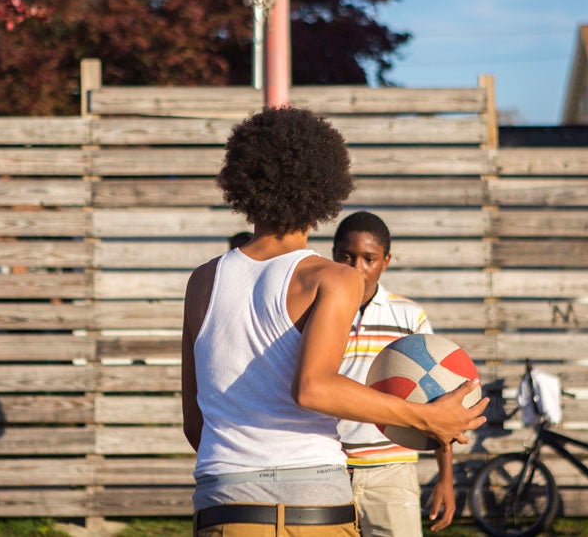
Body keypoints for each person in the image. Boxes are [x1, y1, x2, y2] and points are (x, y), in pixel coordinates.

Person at [182, 107, 487, 536]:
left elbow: (195, 424)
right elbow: (314, 387)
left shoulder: (202, 281)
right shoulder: (332, 277)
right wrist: (426, 419)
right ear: (324, 186)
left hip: (221, 504)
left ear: (243, 181)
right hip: (310, 507)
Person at [333, 211, 454, 535]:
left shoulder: (408, 317)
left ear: (385, 261)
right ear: (333, 256)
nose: (357, 268)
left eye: (368, 258)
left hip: (392, 472)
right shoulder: (315, 315)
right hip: (326, 469)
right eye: (347, 256)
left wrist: (445, 478)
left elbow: (436, 396)